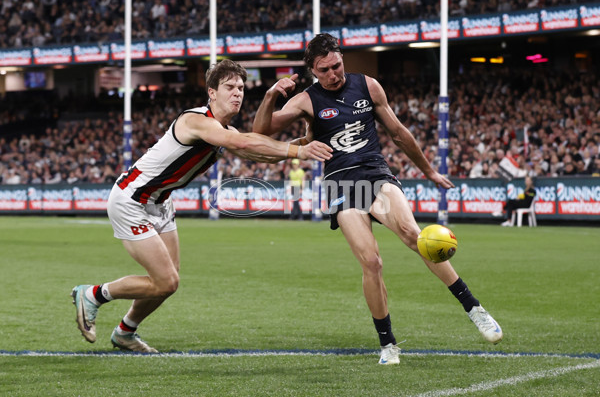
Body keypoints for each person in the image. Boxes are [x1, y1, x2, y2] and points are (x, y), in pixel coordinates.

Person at [253, 34, 502, 365]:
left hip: (374, 174)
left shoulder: (368, 86)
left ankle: (474, 309)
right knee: (371, 262)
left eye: (337, 65)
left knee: (416, 237)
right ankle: (388, 344)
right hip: (341, 185)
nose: (334, 74)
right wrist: (270, 95)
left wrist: (427, 170)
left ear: (343, 59)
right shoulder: (305, 100)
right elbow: (260, 132)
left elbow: (398, 133)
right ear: (314, 70)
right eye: (325, 70)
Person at [71, 59, 332, 352]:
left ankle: (125, 332)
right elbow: (245, 144)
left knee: (168, 281)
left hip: (160, 203)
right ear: (211, 92)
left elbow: (258, 153)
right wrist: (298, 150)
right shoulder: (196, 120)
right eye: (229, 87)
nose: (237, 93)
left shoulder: (223, 129)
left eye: (241, 88)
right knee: (166, 281)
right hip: (131, 199)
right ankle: (93, 294)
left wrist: (305, 143)